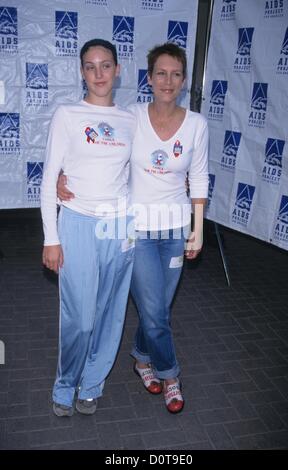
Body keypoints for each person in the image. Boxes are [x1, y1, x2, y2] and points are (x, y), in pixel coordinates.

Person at [57, 42, 209, 414]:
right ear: (149, 77)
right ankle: (169, 374)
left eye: (175, 74)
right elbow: (103, 153)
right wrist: (65, 174)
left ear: (185, 80)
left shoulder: (197, 125)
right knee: (155, 310)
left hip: (174, 230)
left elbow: (199, 178)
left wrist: (197, 229)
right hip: (134, 229)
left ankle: (141, 357)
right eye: (160, 73)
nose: (167, 81)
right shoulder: (131, 117)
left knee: (159, 309)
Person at [40, 39, 136, 417]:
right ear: (82, 72)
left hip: (121, 226)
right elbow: (50, 179)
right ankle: (65, 386)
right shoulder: (67, 115)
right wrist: (52, 237)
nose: (99, 73)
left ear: (117, 70)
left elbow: (139, 173)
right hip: (77, 222)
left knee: (111, 313)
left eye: (106, 65)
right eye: (91, 66)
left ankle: (92, 384)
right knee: (79, 318)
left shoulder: (132, 120)